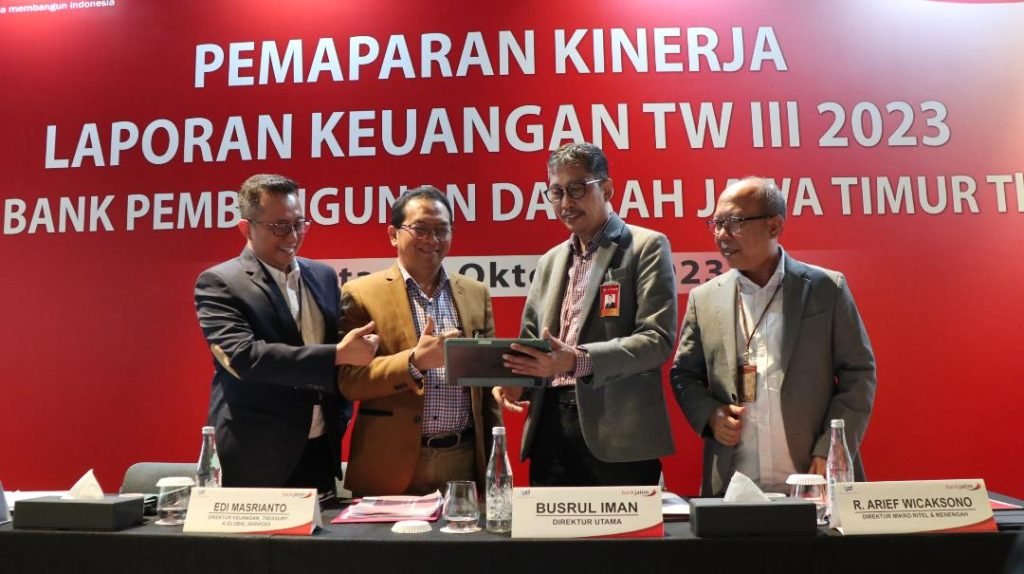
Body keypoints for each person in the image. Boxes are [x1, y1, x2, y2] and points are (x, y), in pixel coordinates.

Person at [671, 176, 876, 495]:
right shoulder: (705, 299)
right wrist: (710, 414)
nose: (722, 235)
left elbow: (859, 374)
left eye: (734, 223)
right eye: (717, 224)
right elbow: (684, 374)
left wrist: (831, 448)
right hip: (734, 486)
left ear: (774, 225)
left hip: (814, 479)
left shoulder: (826, 288)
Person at [494, 142, 678, 486]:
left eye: (577, 188)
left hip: (618, 435)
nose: (566, 203)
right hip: (549, 432)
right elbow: (532, 343)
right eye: (557, 192)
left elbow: (657, 340)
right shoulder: (549, 261)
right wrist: (518, 381)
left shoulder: (645, 246)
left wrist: (576, 360)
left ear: (606, 188)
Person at [194, 174, 379, 493]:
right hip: (256, 455)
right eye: (279, 226)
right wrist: (337, 355)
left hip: (320, 449)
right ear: (246, 228)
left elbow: (340, 350)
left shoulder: (322, 275)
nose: (292, 236)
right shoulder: (219, 282)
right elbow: (245, 357)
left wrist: (340, 415)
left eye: (299, 224)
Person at [338, 185, 502, 496]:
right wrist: (414, 363)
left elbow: (487, 384)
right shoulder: (360, 294)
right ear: (393, 234)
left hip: (463, 459)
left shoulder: (475, 293)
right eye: (421, 229)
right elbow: (349, 382)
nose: (432, 239)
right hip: (390, 464)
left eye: (442, 230)